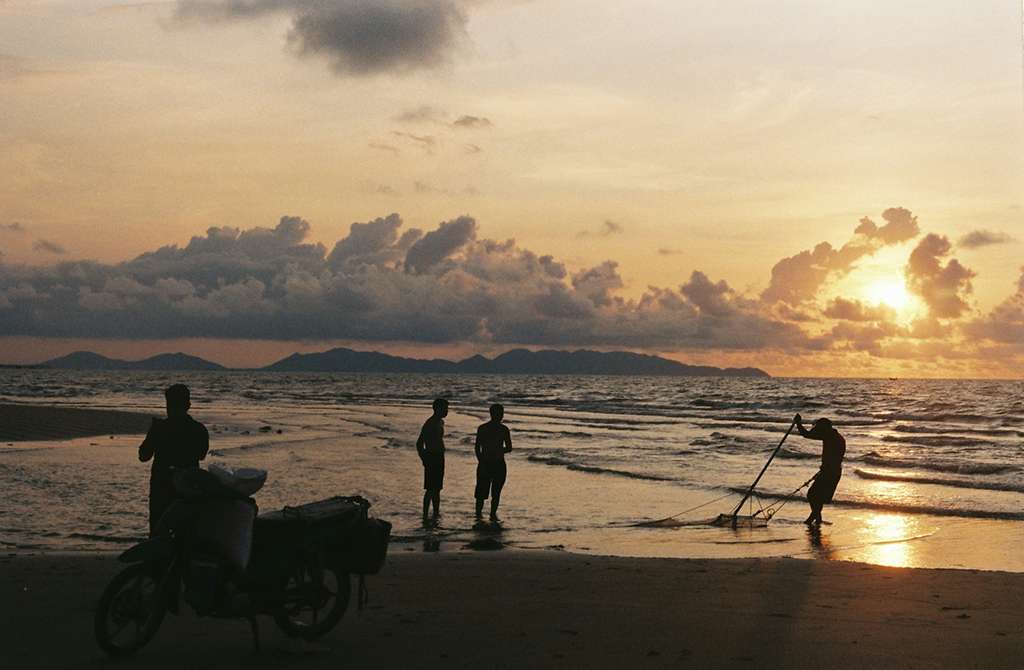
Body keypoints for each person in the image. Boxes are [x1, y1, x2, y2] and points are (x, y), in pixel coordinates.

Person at [139, 384, 209, 535]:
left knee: (157, 531)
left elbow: (143, 456)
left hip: (161, 486)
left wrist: (153, 432)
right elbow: (201, 455)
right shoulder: (199, 429)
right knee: (186, 532)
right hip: (188, 487)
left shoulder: (159, 428)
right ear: (188, 405)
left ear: (168, 404)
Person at [794, 413, 845, 525]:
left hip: (830, 472)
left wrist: (798, 423)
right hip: (831, 471)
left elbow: (806, 434)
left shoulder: (830, 436)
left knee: (812, 495)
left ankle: (813, 519)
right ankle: (817, 519)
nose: (817, 431)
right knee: (817, 497)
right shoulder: (834, 436)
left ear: (824, 428)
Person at [474, 403, 513, 521]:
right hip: (493, 462)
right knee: (489, 493)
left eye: (501, 413)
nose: (500, 415)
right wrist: (498, 451)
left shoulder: (485, 428)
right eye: (499, 413)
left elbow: (477, 447)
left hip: (490, 462)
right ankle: (487, 515)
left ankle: (484, 515)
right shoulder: (501, 429)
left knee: (487, 493)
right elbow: (509, 448)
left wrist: (482, 458)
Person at [416, 398, 448, 522]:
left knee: (437, 488)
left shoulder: (441, 422)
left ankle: (435, 513)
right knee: (430, 488)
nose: (446, 411)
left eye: (447, 408)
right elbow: (419, 443)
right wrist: (424, 459)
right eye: (444, 408)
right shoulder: (430, 423)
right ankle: (425, 515)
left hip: (439, 457)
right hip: (432, 457)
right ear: (437, 409)